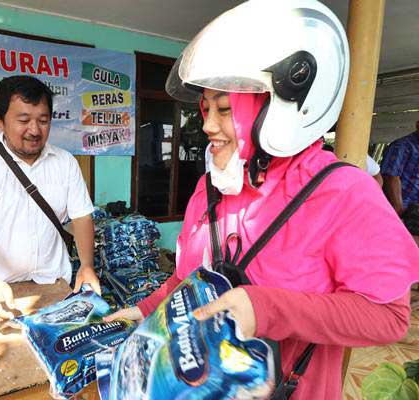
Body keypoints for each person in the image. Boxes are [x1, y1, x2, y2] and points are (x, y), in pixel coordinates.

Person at [105, 1, 419, 399]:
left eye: (224, 109)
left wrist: (267, 309)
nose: (206, 125)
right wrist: (145, 309)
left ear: (283, 107)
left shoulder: (341, 192)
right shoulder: (211, 187)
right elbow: (189, 282)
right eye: (205, 108)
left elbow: (388, 317)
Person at [0, 76, 100, 322]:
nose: (35, 130)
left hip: (55, 285)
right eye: (24, 120)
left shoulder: (66, 163)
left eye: (43, 120)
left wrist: (87, 265)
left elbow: (81, 218)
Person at [381, 121, 419, 217]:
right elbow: (390, 176)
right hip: (402, 209)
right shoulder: (402, 145)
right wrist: (398, 206)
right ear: (417, 125)